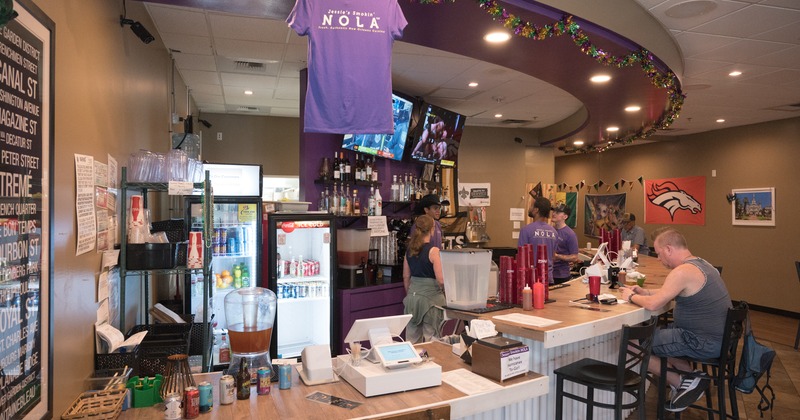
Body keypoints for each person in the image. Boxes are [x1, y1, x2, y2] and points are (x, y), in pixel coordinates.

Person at [619, 227, 731, 412]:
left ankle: (680, 383)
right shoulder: (702, 264)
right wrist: (645, 292)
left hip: (699, 341)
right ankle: (692, 377)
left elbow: (654, 304)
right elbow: (670, 291)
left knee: (632, 343)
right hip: (716, 339)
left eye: (659, 253)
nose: (659, 259)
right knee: (660, 335)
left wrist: (629, 297)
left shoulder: (682, 272)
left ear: (669, 249)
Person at [402, 215, 445, 343]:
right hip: (431, 301)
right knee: (432, 340)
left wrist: (411, 294)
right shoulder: (434, 251)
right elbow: (441, 280)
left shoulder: (409, 250)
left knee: (412, 341)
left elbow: (405, 276)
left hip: (412, 300)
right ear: (432, 229)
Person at [518, 196, 557, 284]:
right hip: (548, 278)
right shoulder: (554, 232)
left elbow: (522, 257)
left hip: (532, 279)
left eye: (531, 206)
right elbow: (553, 256)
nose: (530, 208)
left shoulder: (526, 230)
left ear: (536, 210)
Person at [551, 203, 580, 284]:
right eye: (554, 211)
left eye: (557, 212)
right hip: (548, 273)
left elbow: (574, 257)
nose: (554, 213)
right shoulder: (549, 230)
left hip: (561, 275)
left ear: (565, 217)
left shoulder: (570, 234)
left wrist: (557, 256)